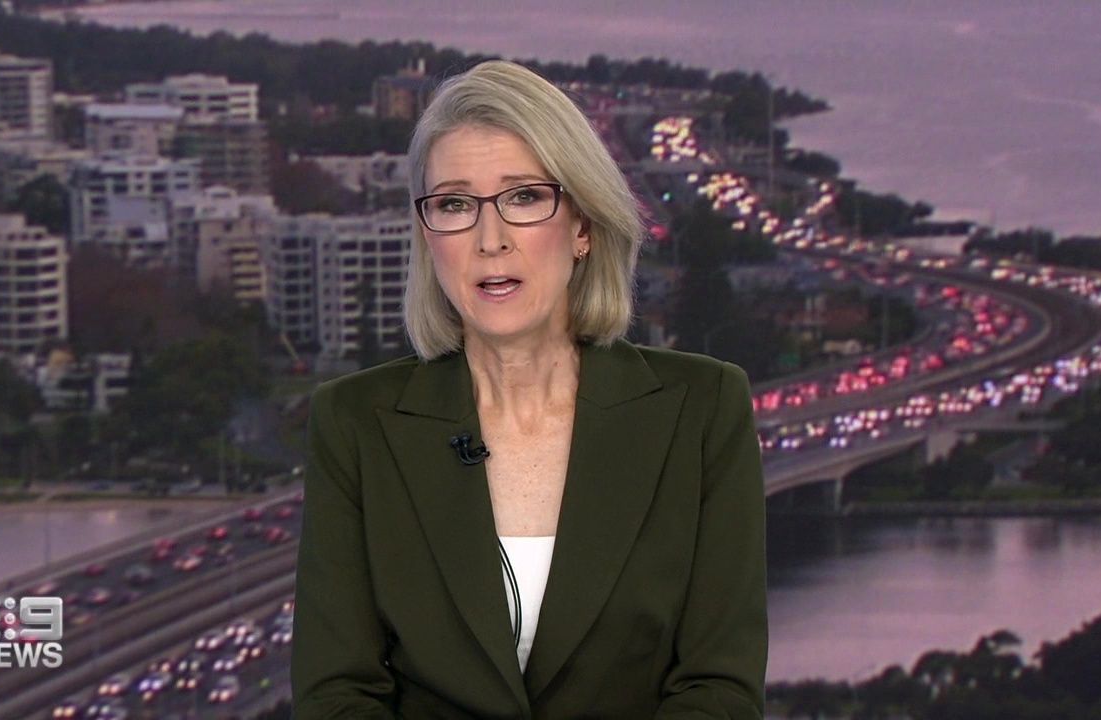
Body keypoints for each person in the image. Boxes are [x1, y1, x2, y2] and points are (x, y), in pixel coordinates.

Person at [291, 60, 766, 719]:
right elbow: (336, 695)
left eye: (522, 198)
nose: (490, 240)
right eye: (455, 204)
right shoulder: (355, 424)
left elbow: (719, 689)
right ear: (428, 237)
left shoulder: (704, 409)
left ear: (582, 226)